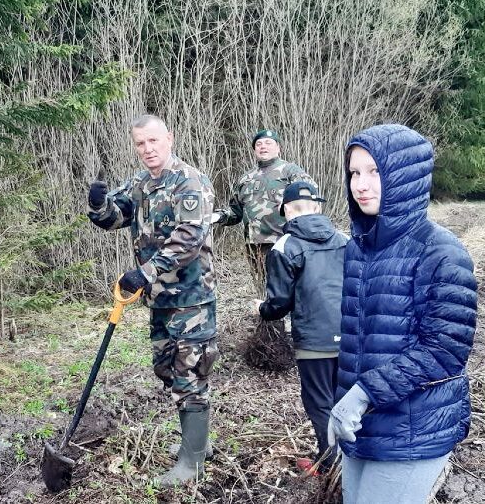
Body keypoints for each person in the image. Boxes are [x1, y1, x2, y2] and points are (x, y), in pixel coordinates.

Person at [328, 124, 477, 504]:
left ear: (406, 175)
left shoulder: (441, 252)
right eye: (355, 173)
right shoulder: (358, 250)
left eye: (375, 172)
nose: (361, 184)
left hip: (414, 429)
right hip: (365, 428)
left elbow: (444, 352)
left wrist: (362, 393)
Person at [87, 114, 218, 486]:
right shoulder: (140, 183)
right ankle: (198, 439)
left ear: (169, 139)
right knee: (167, 369)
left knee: (190, 373)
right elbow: (117, 218)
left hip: (191, 298)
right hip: (159, 299)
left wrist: (144, 273)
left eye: (154, 141)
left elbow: (189, 238)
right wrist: (99, 207)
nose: (148, 149)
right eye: (141, 143)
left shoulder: (190, 182)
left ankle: (192, 461)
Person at [252, 181, 347, 474]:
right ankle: (352, 462)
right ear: (318, 207)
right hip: (351, 337)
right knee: (346, 401)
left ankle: (332, 466)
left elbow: (278, 304)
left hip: (314, 341)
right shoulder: (345, 240)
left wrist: (260, 308)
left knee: (319, 404)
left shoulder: (284, 247)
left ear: (286, 211)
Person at [214, 129, 315, 293]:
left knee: (288, 289)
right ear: (254, 150)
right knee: (262, 291)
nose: (263, 147)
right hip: (254, 246)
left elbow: (309, 196)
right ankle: (266, 317)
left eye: (268, 143)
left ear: (278, 147)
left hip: (283, 241)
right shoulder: (245, 179)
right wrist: (218, 216)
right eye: (259, 144)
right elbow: (235, 213)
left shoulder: (289, 171)